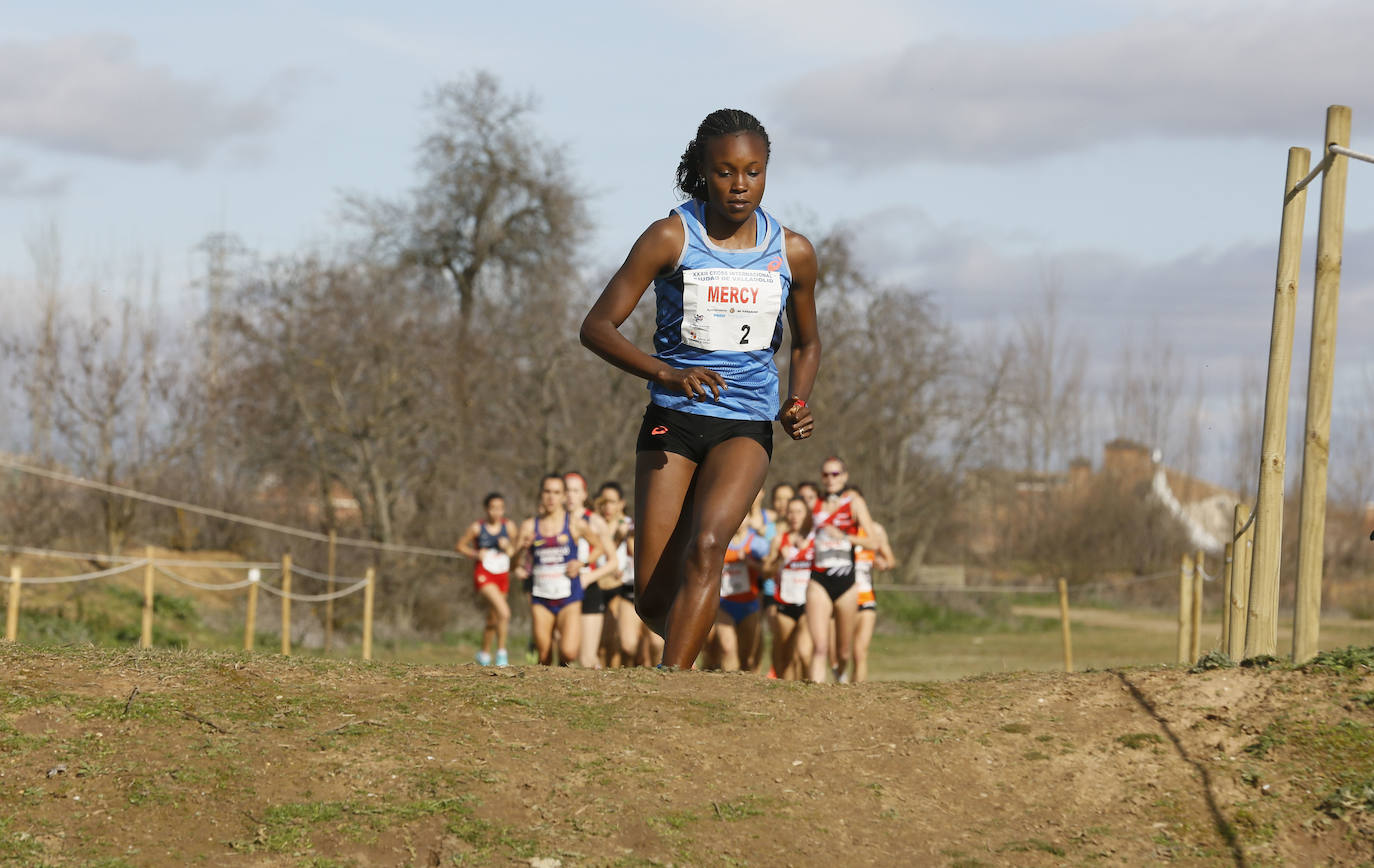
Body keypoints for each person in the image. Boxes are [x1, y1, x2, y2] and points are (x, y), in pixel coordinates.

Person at [579, 108, 821, 670]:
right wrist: (665, 372)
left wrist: (797, 401)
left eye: (753, 172)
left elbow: (807, 344)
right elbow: (596, 327)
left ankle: (673, 688)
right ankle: (691, 644)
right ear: (703, 172)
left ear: (766, 172)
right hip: (674, 418)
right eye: (725, 171)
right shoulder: (671, 236)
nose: (740, 185)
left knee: (709, 546)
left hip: (746, 422)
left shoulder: (792, 252)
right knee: (652, 597)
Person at [512, 474, 608, 666]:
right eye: (547, 492)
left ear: (563, 496)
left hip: (569, 596)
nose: (551, 497)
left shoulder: (574, 524)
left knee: (569, 652)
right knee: (544, 655)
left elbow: (599, 548)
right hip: (541, 596)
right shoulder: (530, 526)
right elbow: (512, 565)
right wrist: (522, 548)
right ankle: (546, 683)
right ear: (541, 494)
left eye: (556, 492)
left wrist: (582, 563)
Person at [807, 457, 880, 683]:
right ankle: (815, 697)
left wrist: (845, 536)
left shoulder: (854, 503)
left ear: (845, 476)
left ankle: (840, 677)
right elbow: (801, 531)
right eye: (826, 474)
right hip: (819, 580)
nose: (830, 479)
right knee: (820, 648)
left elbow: (873, 542)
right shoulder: (815, 503)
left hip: (846, 582)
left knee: (843, 652)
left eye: (835, 474)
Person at [565, 472, 621, 668]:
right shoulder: (554, 521)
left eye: (575, 491)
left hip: (588, 590)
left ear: (584, 494)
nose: (570, 495)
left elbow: (613, 562)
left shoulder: (594, 521)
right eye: (567, 490)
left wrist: (588, 577)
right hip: (559, 591)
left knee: (587, 659)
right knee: (565, 653)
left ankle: (599, 686)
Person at [454, 492, 517, 667]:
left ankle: (484, 654)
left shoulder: (509, 527)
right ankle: (502, 655)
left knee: (494, 617)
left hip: (502, 574)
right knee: (504, 612)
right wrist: (475, 553)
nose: (497, 512)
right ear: (486, 509)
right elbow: (459, 546)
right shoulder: (477, 527)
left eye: (500, 508)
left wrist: (508, 546)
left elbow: (516, 549)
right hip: (484, 574)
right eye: (493, 508)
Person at [708, 516, 768, 672]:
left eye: (744, 516)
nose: (739, 519)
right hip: (724, 605)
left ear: (749, 519)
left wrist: (751, 563)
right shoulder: (720, 540)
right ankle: (729, 685)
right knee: (727, 649)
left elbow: (768, 572)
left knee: (747, 658)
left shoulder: (757, 544)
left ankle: (745, 686)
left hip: (749, 605)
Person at [764, 495, 814, 680]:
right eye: (791, 512)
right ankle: (787, 690)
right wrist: (778, 559)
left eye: (799, 512)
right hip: (785, 602)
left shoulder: (815, 539)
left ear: (806, 514)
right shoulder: (779, 540)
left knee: (804, 652)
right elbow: (766, 572)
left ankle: (809, 687)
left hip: (809, 604)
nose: (794, 516)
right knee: (784, 655)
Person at [595, 481, 641, 667]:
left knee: (615, 640)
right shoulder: (595, 525)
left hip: (620, 587)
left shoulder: (629, 525)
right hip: (597, 585)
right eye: (603, 502)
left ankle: (619, 674)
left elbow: (635, 554)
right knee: (601, 643)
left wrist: (623, 537)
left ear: (621, 503)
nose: (607, 507)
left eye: (612, 502)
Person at [851, 519, 896, 684]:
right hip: (840, 599)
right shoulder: (838, 528)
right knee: (838, 654)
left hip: (866, 598)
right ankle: (838, 689)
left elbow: (890, 560)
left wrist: (883, 563)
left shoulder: (875, 530)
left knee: (859, 652)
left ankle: (857, 691)